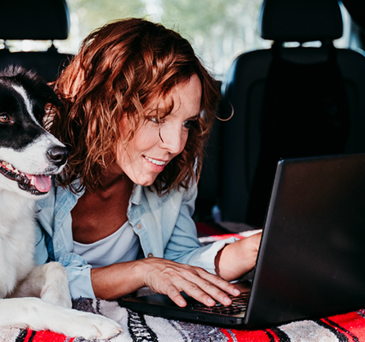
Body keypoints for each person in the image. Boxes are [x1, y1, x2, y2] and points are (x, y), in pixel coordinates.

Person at [34, 18, 261, 308]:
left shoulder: (176, 166)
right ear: (104, 106)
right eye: (156, 118)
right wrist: (141, 272)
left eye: (187, 123)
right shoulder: (32, 160)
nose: (176, 145)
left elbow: (177, 263)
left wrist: (246, 252)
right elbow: (26, 282)